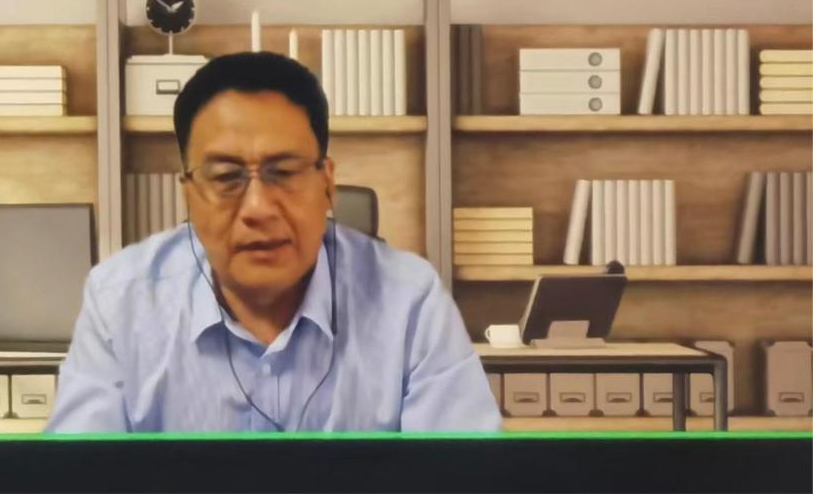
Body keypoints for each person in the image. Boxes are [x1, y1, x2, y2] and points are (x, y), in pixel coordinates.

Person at [46, 51, 501, 432]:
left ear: (327, 183)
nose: (258, 208)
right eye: (226, 177)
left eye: (283, 172)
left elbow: (464, 477)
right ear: (188, 194)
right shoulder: (120, 301)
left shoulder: (409, 301)